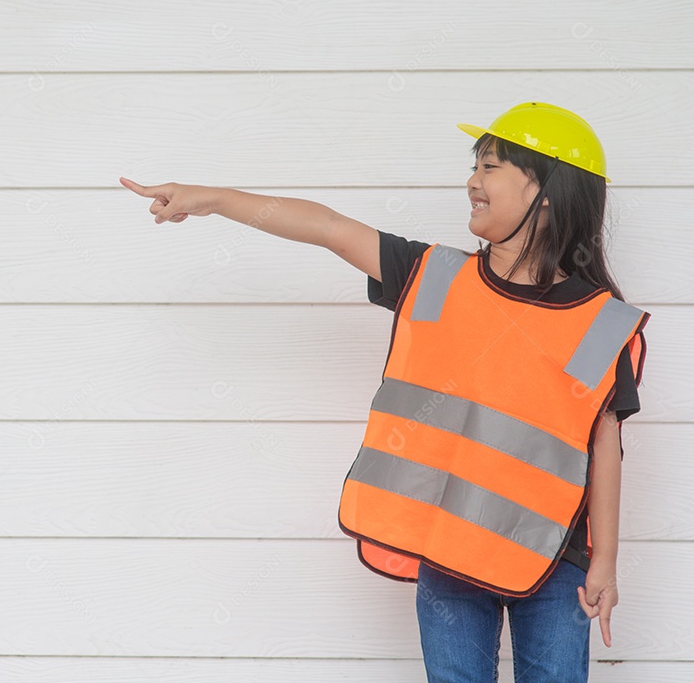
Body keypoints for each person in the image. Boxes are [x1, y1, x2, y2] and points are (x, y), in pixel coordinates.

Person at [120, 101, 648, 683]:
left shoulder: (603, 323)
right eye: (475, 166)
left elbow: (605, 447)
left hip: (556, 561)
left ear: (546, 190)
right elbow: (329, 229)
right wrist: (212, 198)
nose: (472, 181)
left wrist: (606, 563)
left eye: (491, 167)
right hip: (449, 545)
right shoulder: (433, 274)